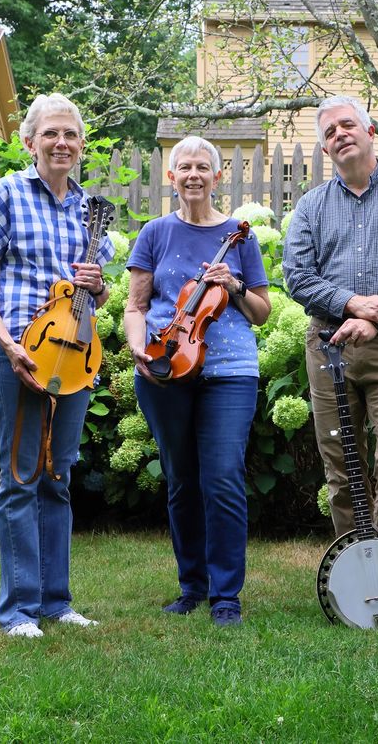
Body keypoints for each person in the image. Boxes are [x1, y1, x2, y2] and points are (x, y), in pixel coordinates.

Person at [282, 95, 378, 637]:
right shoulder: (310, 206)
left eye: (348, 125)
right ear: (325, 147)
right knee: (343, 473)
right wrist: (353, 305)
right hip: (327, 348)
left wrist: (375, 319)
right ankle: (358, 586)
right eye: (329, 132)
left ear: (370, 131)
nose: (340, 135)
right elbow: (297, 278)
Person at [0, 93, 113, 639]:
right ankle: (18, 610)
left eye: (71, 135)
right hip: (19, 354)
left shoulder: (89, 210)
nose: (61, 143)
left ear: (80, 146)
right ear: (30, 143)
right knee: (20, 477)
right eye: (50, 134)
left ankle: (56, 601)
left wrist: (97, 288)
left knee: (58, 474)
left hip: (73, 357)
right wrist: (5, 342)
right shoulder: (6, 195)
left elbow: (90, 298)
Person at [123, 136, 272, 627]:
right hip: (167, 364)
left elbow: (262, 313)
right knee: (182, 479)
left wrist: (234, 285)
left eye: (202, 167)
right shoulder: (155, 233)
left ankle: (226, 595)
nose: (192, 175)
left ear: (217, 176)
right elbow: (136, 305)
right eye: (183, 167)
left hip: (229, 372)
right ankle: (192, 587)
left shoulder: (239, 236)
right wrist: (137, 345)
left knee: (223, 478)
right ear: (172, 178)